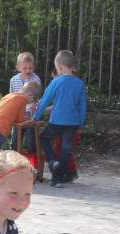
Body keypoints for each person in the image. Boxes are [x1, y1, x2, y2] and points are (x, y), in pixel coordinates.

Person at [34, 50, 87, 187]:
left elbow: (45, 101)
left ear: (61, 66)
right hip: (73, 123)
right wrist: (80, 123)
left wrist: (36, 117)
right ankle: (58, 179)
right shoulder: (80, 84)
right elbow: (82, 106)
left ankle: (52, 161)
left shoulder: (56, 82)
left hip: (56, 121)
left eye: (57, 67)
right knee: (65, 149)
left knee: (43, 138)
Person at [9, 52, 42, 153]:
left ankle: (32, 162)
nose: (28, 71)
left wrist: (36, 104)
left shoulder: (36, 78)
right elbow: (11, 97)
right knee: (15, 142)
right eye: (25, 68)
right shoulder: (14, 80)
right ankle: (15, 161)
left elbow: (39, 96)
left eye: (30, 68)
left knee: (32, 144)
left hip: (32, 115)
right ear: (18, 67)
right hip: (18, 115)